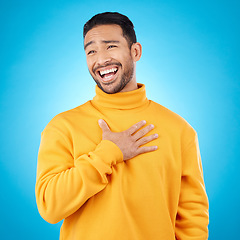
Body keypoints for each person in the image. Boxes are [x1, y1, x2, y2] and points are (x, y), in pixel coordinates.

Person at [35, 12, 209, 240]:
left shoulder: (179, 130)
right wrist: (108, 153)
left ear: (135, 51)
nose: (101, 59)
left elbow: (192, 217)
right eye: (91, 51)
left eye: (110, 46)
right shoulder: (63, 127)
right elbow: (50, 206)